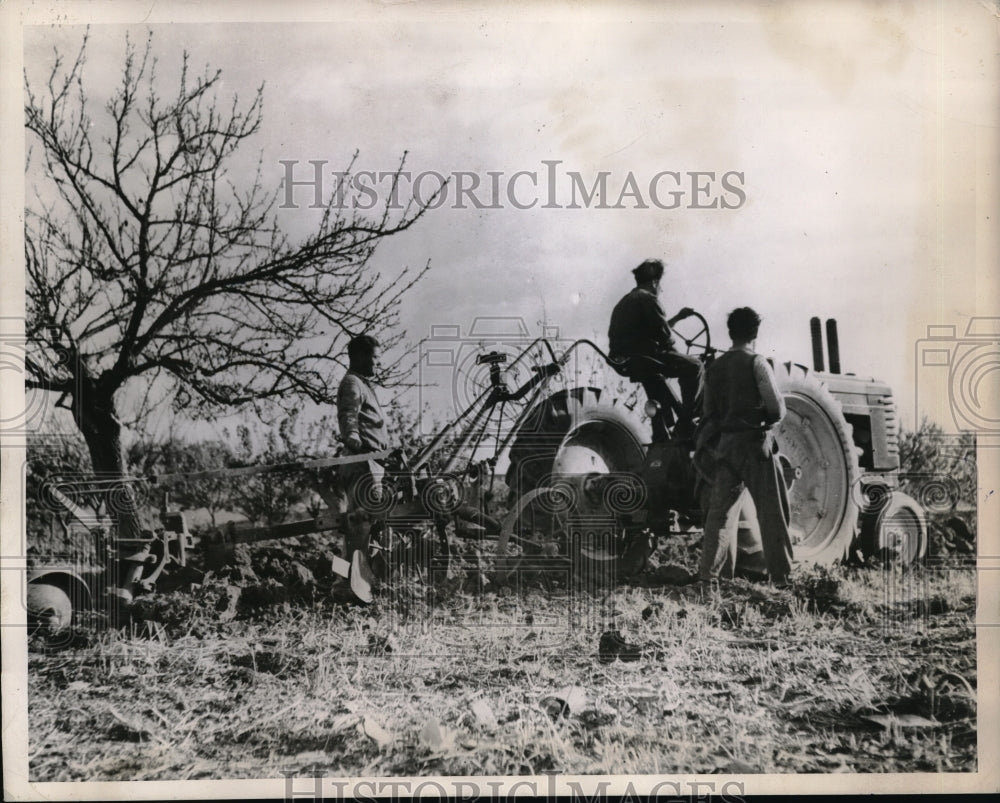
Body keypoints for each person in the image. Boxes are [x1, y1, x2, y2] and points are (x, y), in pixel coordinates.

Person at [695, 307, 793, 587]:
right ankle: (781, 580)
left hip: (726, 448)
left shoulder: (714, 368)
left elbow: (708, 413)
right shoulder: (757, 363)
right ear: (755, 333)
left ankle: (709, 578)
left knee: (720, 516)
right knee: (772, 513)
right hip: (755, 447)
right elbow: (776, 410)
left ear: (730, 332)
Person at [608, 258, 703, 440]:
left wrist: (677, 318)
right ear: (654, 282)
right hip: (647, 357)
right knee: (695, 367)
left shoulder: (624, 302)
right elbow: (666, 338)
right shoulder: (649, 299)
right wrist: (680, 356)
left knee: (655, 381)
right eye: (660, 285)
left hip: (627, 360)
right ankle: (687, 422)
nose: (661, 290)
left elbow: (652, 329)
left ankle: (661, 430)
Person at [328, 334, 391, 603]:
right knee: (360, 524)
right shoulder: (353, 383)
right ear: (360, 357)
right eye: (375, 358)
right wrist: (351, 436)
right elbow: (348, 413)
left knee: (360, 526)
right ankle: (346, 585)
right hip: (362, 462)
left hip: (371, 462)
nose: (378, 364)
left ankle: (344, 579)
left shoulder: (363, 384)